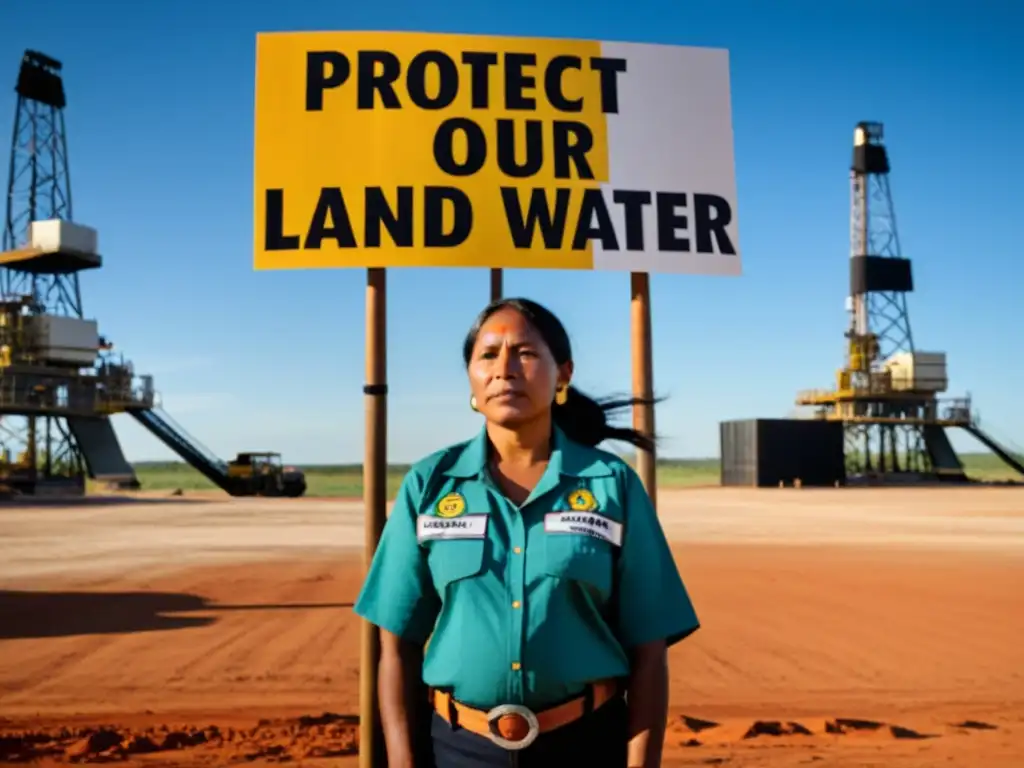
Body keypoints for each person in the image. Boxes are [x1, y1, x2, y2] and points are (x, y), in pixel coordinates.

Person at [353, 297, 700, 768]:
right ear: (472, 380)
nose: (505, 369)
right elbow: (396, 646)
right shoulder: (429, 485)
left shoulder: (611, 484)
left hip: (585, 745)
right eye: (488, 355)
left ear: (563, 374)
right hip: (457, 749)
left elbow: (649, 650)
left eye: (526, 353)